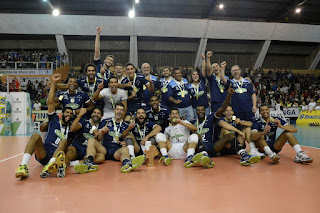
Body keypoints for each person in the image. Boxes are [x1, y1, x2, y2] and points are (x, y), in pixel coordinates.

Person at [15, 73, 73, 179]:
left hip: (56, 156)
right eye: (67, 113)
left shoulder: (72, 129)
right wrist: (54, 83)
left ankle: (51, 165)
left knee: (64, 142)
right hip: (44, 153)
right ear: (62, 114)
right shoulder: (54, 119)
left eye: (70, 114)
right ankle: (23, 166)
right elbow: (50, 102)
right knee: (35, 136)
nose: (69, 115)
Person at [98, 103, 145, 173]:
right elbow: (99, 139)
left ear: (123, 112)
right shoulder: (105, 122)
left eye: (121, 110)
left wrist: (124, 143)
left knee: (125, 149)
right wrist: (101, 133)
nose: (119, 111)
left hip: (116, 151)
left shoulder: (126, 125)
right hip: (105, 149)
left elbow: (126, 139)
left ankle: (126, 164)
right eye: (117, 109)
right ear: (114, 110)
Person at [68, 107, 107, 174]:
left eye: (98, 113)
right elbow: (72, 129)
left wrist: (100, 133)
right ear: (91, 114)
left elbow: (99, 139)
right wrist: (80, 115)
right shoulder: (84, 121)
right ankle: (88, 162)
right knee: (70, 151)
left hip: (90, 151)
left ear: (101, 116)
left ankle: (77, 163)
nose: (96, 114)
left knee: (101, 156)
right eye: (94, 112)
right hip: (78, 146)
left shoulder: (102, 124)